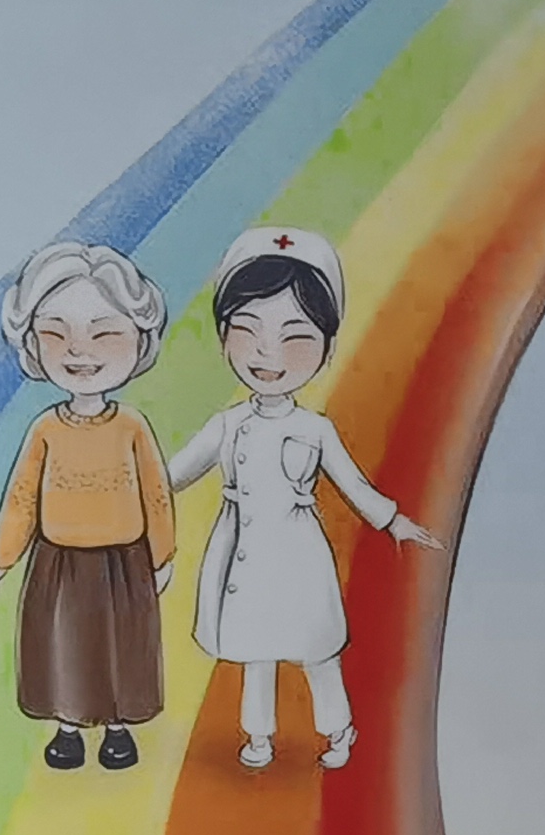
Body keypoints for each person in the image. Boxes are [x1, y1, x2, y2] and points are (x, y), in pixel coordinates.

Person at [164, 226, 438, 771]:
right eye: (248, 330)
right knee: (256, 652)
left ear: (326, 349)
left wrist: (393, 522)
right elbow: (172, 475)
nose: (268, 353)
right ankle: (258, 737)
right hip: (243, 553)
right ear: (223, 337)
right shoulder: (227, 425)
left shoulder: (315, 430)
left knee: (316, 649)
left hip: (298, 554)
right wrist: (124, 484)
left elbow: (353, 485)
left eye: (295, 338)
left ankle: (338, 728)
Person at [0, 241, 177, 773]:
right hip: (59, 562)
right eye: (56, 333)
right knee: (64, 648)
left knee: (121, 647)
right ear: (32, 342)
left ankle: (117, 729)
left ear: (138, 339)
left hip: (124, 563)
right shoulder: (46, 428)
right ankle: (68, 730)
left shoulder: (132, 426)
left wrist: (162, 554)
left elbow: (155, 491)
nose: (79, 351)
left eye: (104, 333)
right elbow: (22, 497)